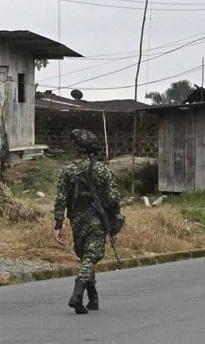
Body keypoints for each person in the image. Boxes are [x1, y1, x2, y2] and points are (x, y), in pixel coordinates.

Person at [53, 129, 121, 314]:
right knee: (91, 257)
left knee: (85, 257)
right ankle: (77, 294)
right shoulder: (102, 170)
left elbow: (60, 199)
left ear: (77, 148)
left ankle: (93, 299)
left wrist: (58, 224)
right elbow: (114, 198)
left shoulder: (68, 171)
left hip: (77, 220)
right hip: (96, 219)